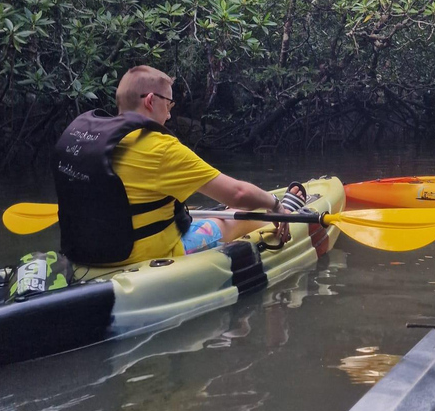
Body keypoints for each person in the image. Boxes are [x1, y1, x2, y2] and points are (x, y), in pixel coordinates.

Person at [52, 65, 302, 266]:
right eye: (169, 104)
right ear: (150, 100)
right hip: (140, 255)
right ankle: (288, 210)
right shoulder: (161, 148)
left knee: (197, 208)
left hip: (88, 253)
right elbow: (238, 194)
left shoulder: (94, 143)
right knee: (239, 217)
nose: (169, 114)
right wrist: (275, 204)